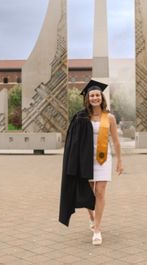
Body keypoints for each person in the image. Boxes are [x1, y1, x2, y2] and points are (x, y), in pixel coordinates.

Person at [59, 80, 123, 245]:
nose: (95, 98)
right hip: (86, 160)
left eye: (97, 95)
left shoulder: (109, 117)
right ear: (88, 99)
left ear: (101, 98)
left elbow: (116, 141)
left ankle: (97, 229)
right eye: (92, 95)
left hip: (103, 159)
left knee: (100, 193)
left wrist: (119, 161)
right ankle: (91, 216)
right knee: (89, 193)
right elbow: (72, 140)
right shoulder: (81, 117)